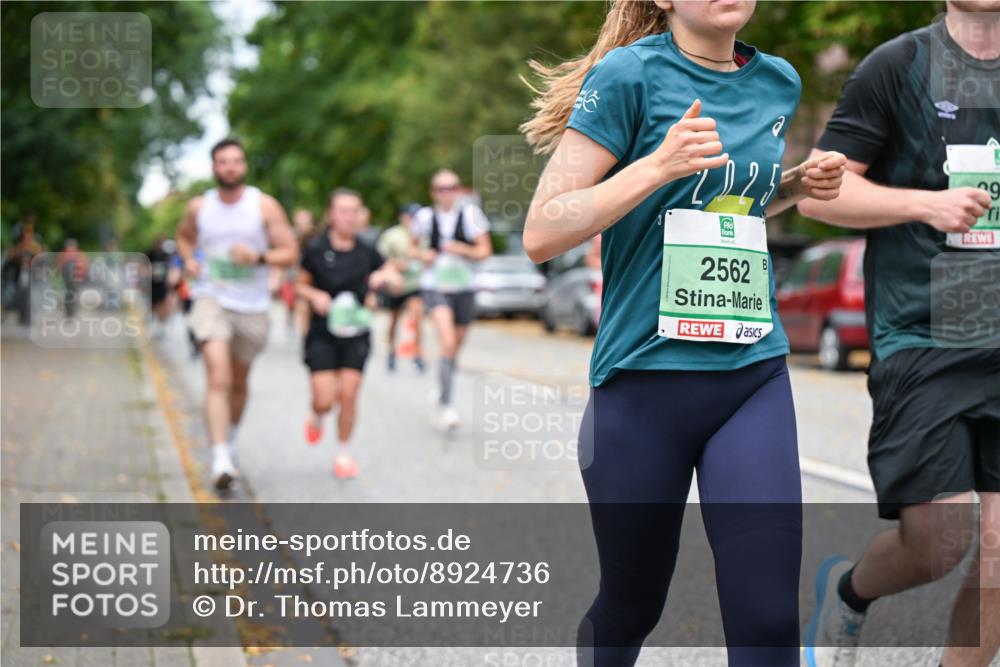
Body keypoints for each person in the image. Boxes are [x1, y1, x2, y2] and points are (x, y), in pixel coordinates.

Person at [520, 1, 845, 665]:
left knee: (767, 616)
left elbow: (729, 202)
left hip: (751, 374)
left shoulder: (779, 81)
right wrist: (655, 165)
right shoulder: (626, 76)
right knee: (632, 603)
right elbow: (544, 228)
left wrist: (792, 186)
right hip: (643, 386)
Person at [798, 4, 1000, 666]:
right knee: (937, 542)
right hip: (924, 332)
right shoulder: (899, 65)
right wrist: (924, 203)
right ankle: (850, 591)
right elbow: (818, 195)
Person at [175, 137, 298, 491]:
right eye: (223, 161)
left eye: (236, 161)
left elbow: (288, 252)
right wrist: (190, 260)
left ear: (244, 166)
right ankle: (219, 458)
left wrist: (258, 258)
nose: (230, 167)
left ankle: (228, 439)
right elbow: (184, 238)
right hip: (211, 297)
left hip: (252, 305)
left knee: (240, 383)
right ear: (214, 167)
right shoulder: (200, 207)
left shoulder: (265, 206)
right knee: (219, 376)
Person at [297, 188, 399, 479]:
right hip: (323, 333)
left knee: (350, 395)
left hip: (356, 331)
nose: (349, 216)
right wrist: (314, 295)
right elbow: (300, 284)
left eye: (354, 210)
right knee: (325, 399)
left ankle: (343, 453)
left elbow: (393, 277)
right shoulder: (316, 249)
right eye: (343, 210)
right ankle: (317, 413)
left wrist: (385, 278)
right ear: (330, 214)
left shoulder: (368, 250)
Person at [412, 169, 493, 431]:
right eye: (441, 188)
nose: (446, 193)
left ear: (457, 191)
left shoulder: (471, 216)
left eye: (451, 188)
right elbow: (412, 247)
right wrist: (422, 255)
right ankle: (446, 405)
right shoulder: (424, 217)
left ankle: (443, 381)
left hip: (464, 286)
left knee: (454, 348)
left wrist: (463, 249)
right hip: (435, 285)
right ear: (433, 192)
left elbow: (485, 250)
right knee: (446, 342)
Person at [377, 203, 426, 373]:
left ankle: (418, 354)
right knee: (394, 319)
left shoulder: (424, 235)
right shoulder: (392, 236)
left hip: (415, 283)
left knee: (417, 317)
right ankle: (391, 350)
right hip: (396, 283)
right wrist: (398, 265)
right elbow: (380, 260)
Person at [146, 235, 173, 339]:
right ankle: (153, 324)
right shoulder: (151, 254)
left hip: (162, 285)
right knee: (153, 306)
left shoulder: (166, 255)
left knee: (163, 306)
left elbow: (171, 267)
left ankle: (161, 328)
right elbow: (144, 266)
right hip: (152, 284)